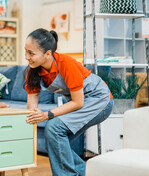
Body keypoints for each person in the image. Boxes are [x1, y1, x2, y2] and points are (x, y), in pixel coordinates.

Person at [24, 28, 113, 176]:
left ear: (48, 53)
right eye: (26, 51)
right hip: (81, 102)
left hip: (100, 101)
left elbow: (78, 102)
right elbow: (32, 107)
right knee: (55, 139)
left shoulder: (66, 63)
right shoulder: (33, 71)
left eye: (31, 53)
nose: (27, 57)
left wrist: (47, 115)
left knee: (54, 127)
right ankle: (88, 173)